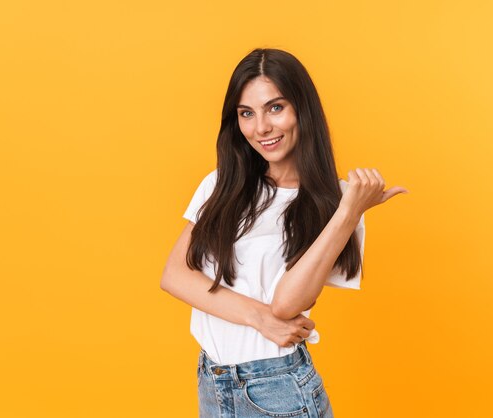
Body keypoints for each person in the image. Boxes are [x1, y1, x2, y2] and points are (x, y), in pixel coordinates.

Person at [160, 48, 407, 417]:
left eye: (275, 108)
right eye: (247, 113)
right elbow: (174, 276)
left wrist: (349, 213)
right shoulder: (221, 185)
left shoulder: (334, 203)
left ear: (301, 110)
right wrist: (258, 318)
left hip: (278, 390)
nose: (261, 128)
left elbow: (288, 305)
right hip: (213, 380)